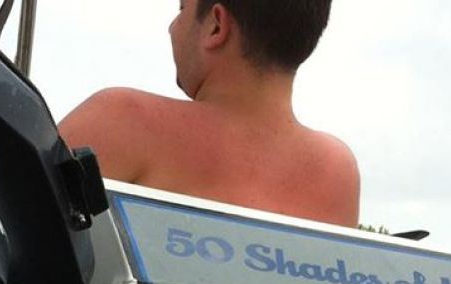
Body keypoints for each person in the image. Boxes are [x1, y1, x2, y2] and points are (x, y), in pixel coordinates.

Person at [59, 0, 360, 227]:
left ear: (216, 26)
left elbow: (21, 245)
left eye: (181, 9)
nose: (172, 27)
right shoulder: (336, 172)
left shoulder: (123, 120)